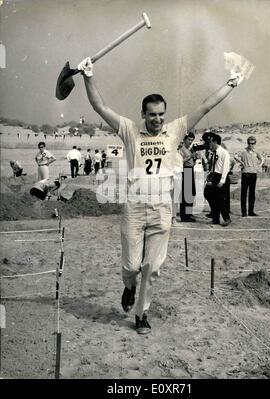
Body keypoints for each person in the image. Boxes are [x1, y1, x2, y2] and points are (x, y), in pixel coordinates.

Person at [77, 56, 244, 335]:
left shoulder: (175, 130)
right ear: (143, 114)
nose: (157, 119)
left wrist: (231, 84)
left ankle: (142, 314)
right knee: (131, 265)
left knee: (151, 267)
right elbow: (100, 106)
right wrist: (88, 76)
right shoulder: (130, 130)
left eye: (161, 114)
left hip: (161, 208)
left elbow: (205, 105)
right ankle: (128, 286)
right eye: (152, 114)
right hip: (135, 206)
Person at [204, 134, 231, 226]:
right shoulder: (212, 152)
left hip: (221, 176)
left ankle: (226, 218)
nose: (209, 143)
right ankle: (215, 216)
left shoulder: (224, 152)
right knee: (207, 193)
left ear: (215, 142)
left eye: (211, 141)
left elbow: (225, 168)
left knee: (220, 199)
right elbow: (212, 165)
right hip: (213, 176)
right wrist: (209, 176)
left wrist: (222, 180)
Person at [234, 136, 264, 216]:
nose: (251, 145)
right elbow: (235, 156)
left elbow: (262, 159)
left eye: (253, 143)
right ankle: (244, 212)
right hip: (245, 174)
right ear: (247, 143)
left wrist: (259, 165)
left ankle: (251, 212)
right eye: (249, 143)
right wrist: (242, 163)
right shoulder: (243, 151)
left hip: (254, 174)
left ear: (255, 143)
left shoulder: (256, 152)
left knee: (252, 194)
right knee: (243, 193)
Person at [179, 132, 200, 222]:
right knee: (186, 194)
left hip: (190, 170)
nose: (190, 142)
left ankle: (189, 214)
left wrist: (194, 160)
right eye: (189, 140)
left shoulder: (188, 149)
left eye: (192, 140)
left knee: (191, 193)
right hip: (185, 171)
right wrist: (190, 157)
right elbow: (180, 161)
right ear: (184, 140)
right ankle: (185, 216)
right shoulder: (181, 149)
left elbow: (190, 161)